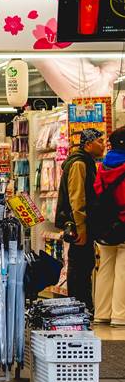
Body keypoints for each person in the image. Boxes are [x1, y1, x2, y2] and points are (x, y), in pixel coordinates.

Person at [56, 127, 106, 314]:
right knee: (80, 267)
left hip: (81, 224)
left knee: (83, 266)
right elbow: (77, 197)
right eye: (99, 141)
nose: (103, 145)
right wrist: (81, 227)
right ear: (88, 144)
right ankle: (78, 307)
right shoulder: (79, 163)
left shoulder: (86, 162)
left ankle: (81, 306)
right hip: (78, 225)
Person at [95, 127, 125, 326]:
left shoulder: (102, 167)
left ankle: (101, 312)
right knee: (123, 270)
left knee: (104, 268)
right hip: (123, 222)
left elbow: (97, 192)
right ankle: (120, 315)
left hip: (104, 225)